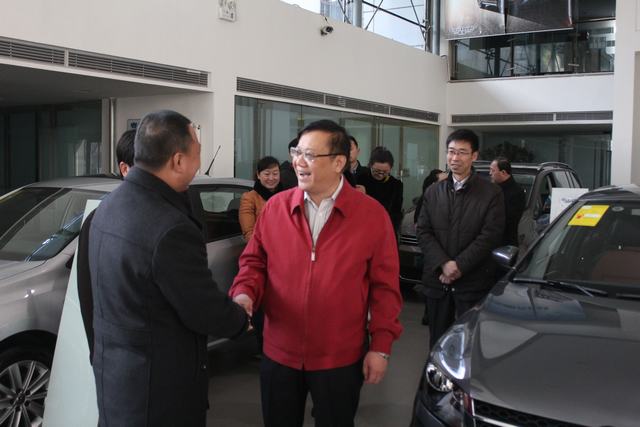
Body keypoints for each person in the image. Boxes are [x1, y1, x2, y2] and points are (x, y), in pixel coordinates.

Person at [230, 119, 403, 427]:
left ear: (339, 162)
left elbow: (385, 288)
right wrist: (244, 292)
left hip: (340, 357)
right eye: (297, 152)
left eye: (309, 155)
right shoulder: (276, 208)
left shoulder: (371, 216)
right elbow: (254, 262)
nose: (298, 162)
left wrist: (381, 346)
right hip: (280, 353)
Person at [86, 110, 249, 427]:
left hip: (117, 379)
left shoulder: (109, 205)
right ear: (178, 160)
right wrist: (241, 319)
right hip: (157, 390)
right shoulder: (170, 227)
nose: (199, 161)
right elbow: (201, 307)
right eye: (198, 151)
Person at [416, 129, 504, 348]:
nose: (455, 158)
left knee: (470, 346)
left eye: (462, 152)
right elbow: (423, 231)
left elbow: (490, 235)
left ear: (474, 156)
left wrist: (458, 266)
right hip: (438, 283)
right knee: (437, 344)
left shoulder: (491, 193)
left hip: (472, 283)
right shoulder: (433, 192)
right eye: (451, 151)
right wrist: (444, 264)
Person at [78, 129, 137, 362]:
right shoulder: (99, 220)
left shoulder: (166, 218)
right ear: (125, 169)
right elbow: (87, 293)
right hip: (119, 357)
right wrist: (97, 351)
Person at [357, 146, 404, 232]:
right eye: (376, 171)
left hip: (385, 228)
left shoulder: (396, 185)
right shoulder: (360, 180)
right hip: (363, 228)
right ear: (370, 165)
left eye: (385, 172)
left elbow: (396, 213)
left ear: (391, 168)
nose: (380, 174)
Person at [239, 155, 282, 241]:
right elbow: (249, 233)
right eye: (267, 174)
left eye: (275, 174)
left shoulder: (286, 196)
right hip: (263, 246)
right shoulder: (249, 198)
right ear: (258, 175)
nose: (271, 178)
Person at [489, 157, 526, 246]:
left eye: (493, 170)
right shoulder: (491, 188)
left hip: (505, 242)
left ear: (503, 172)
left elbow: (509, 220)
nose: (490, 173)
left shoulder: (516, 192)